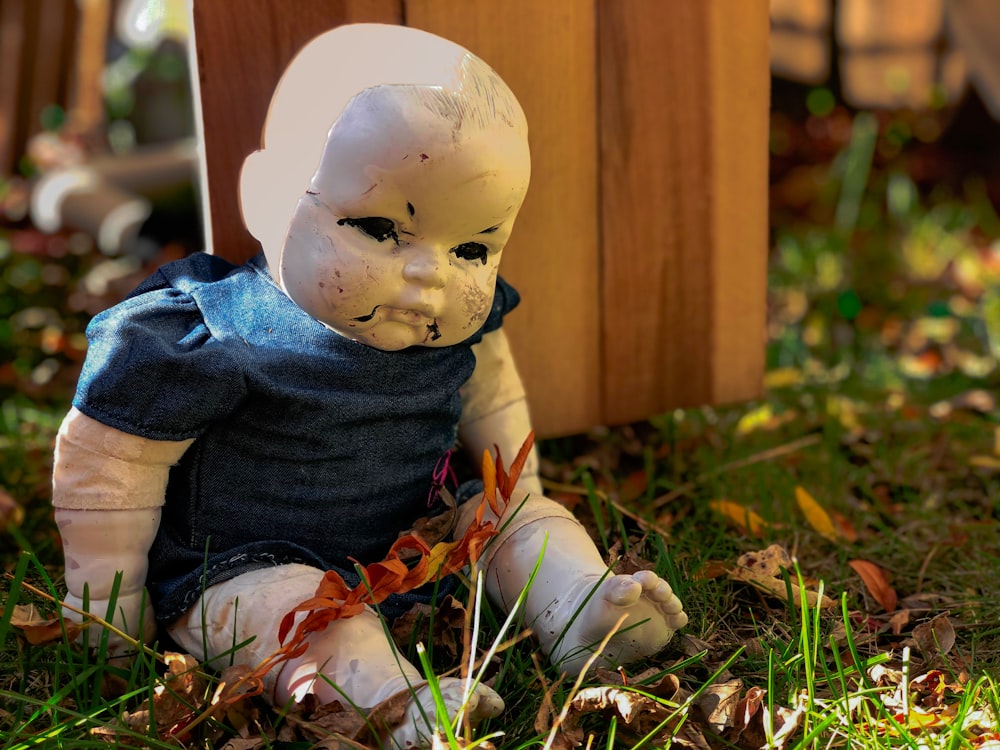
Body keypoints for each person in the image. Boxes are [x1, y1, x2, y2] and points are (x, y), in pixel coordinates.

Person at [51, 23, 687, 748]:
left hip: (420, 551)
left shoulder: (452, 324)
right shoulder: (214, 331)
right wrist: (106, 602)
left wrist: (515, 500)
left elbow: (494, 400)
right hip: (244, 571)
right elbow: (113, 461)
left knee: (522, 517)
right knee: (308, 610)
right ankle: (391, 705)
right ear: (268, 200)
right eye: (382, 229)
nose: (431, 275)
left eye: (472, 247)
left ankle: (580, 614)